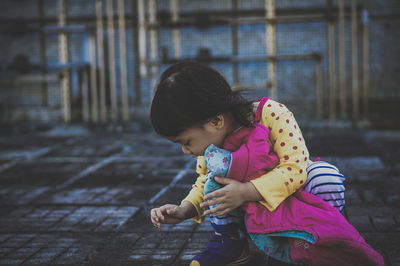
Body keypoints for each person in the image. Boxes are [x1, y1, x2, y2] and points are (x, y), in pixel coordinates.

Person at [150, 62, 383, 265]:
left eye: (186, 141)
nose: (185, 150)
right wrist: (184, 209)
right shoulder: (211, 149)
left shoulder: (271, 113)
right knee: (215, 183)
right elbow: (204, 182)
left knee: (325, 176)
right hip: (253, 211)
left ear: (215, 120)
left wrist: (248, 191)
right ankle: (231, 242)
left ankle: (329, 235)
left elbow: (296, 167)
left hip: (291, 194)